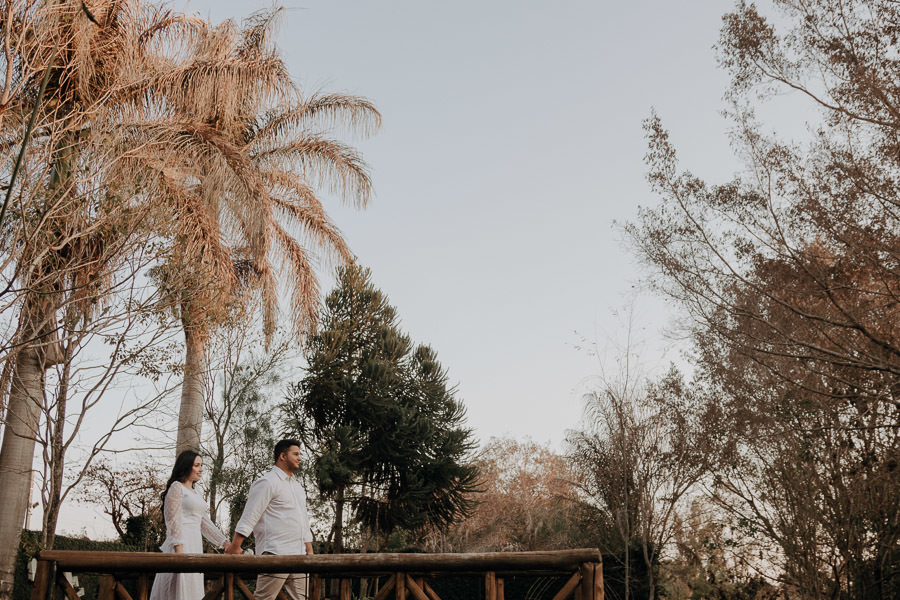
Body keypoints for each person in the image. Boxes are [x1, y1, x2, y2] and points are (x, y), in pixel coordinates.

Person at [226, 439, 314, 600]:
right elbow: (250, 515)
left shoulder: (297, 487)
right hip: (276, 552)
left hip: (299, 555)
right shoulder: (267, 482)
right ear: (282, 456)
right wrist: (235, 546)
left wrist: (309, 549)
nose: (299, 458)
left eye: (299, 454)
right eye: (295, 454)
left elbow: (303, 520)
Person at [150, 450, 231, 600]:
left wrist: (225, 542)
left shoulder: (196, 491)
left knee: (193, 588)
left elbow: (204, 521)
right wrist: (180, 552)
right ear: (186, 466)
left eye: (202, 465)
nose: (201, 469)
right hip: (180, 544)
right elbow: (173, 521)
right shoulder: (176, 487)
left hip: (195, 543)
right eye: (197, 465)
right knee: (180, 588)